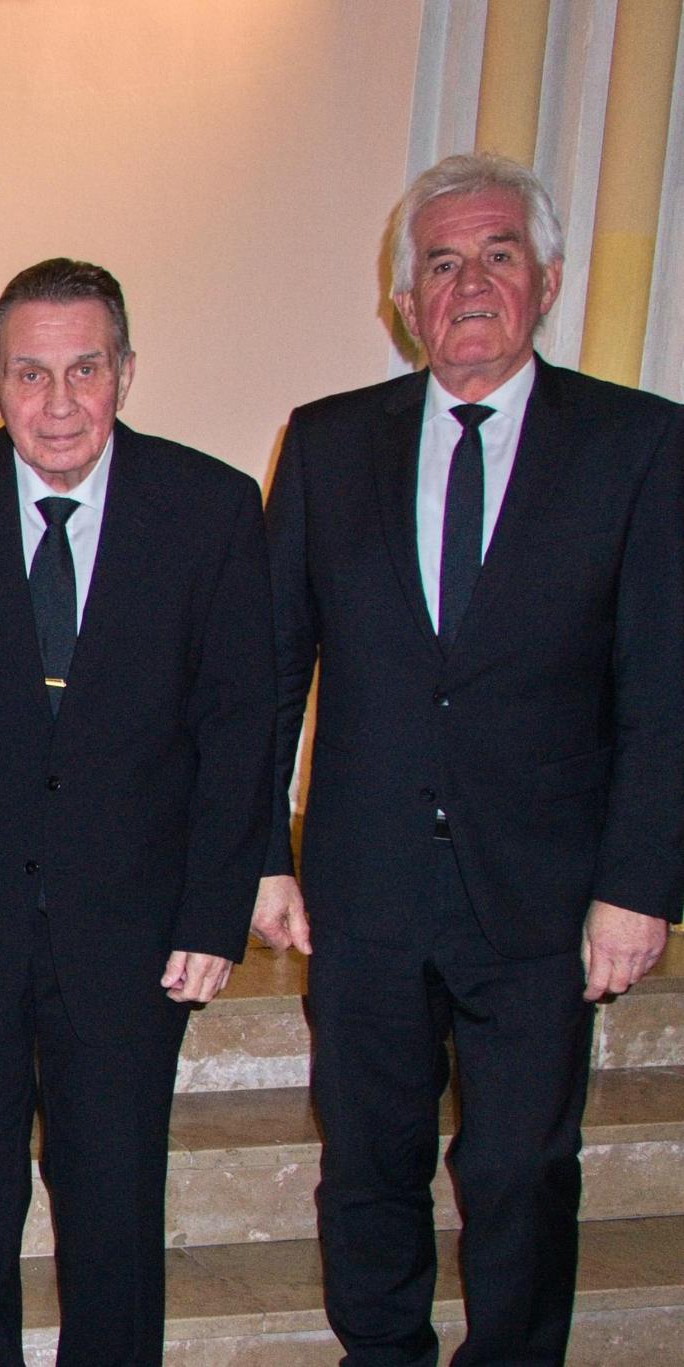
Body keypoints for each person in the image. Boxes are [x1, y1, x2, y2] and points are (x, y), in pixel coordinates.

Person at [258, 153, 683, 1364]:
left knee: (521, 1170)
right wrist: (263, 852)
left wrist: (639, 882)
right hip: (366, 885)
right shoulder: (332, 443)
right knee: (366, 1165)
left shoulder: (641, 446)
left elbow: (665, 687)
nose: (471, 282)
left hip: (546, 894)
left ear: (548, 280)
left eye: (499, 254)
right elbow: (275, 671)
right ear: (405, 301)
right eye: (441, 263)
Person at [0, 259, 273, 1365]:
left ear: (127, 373)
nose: (58, 402)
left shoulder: (213, 507)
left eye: (85, 369)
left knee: (114, 1213)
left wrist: (212, 912)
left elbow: (242, 723)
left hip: (134, 932)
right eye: (30, 372)